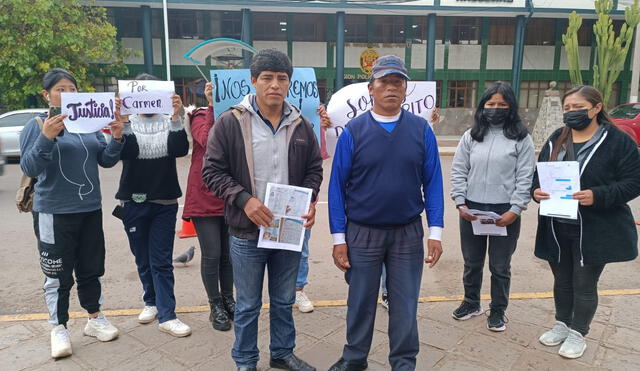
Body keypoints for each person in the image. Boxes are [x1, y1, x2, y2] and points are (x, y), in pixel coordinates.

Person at [202, 49, 322, 371]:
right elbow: (211, 171)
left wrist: (308, 202)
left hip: (288, 229)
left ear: (289, 83)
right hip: (246, 230)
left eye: (281, 78)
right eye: (267, 78)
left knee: (284, 300)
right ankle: (245, 360)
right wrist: (244, 199)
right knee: (248, 304)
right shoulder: (231, 122)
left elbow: (314, 169)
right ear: (253, 80)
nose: (274, 85)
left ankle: (282, 353)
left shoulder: (300, 124)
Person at [328, 55, 444, 371]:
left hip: (408, 232)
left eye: (398, 82)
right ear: (372, 88)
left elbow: (433, 182)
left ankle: (404, 362)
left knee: (405, 303)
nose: (391, 88)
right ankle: (354, 360)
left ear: (406, 90)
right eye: (384, 82)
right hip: (362, 232)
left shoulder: (421, 131)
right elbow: (336, 186)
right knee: (360, 302)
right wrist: (339, 237)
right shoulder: (353, 131)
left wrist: (436, 231)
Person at [20, 68, 124, 358]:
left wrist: (116, 137)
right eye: (60, 90)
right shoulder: (37, 124)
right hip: (53, 211)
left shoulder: (88, 124)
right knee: (57, 274)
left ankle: (94, 318)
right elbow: (30, 167)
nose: (68, 94)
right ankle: (58, 326)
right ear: (47, 94)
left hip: (89, 208)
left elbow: (105, 160)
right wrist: (47, 138)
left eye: (72, 89)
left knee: (91, 268)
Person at [532, 85, 640, 359]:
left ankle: (579, 332)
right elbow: (540, 174)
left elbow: (633, 182)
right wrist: (536, 191)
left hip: (594, 229)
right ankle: (562, 323)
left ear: (596, 108)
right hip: (557, 225)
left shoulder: (618, 141)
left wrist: (598, 195)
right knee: (562, 281)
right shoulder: (558, 138)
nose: (571, 113)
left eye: (578, 107)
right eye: (567, 108)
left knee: (584, 283)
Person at [449, 81, 535, 331]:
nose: (495, 108)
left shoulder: (521, 138)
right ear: (482, 106)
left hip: (505, 211)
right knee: (472, 262)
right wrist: (460, 202)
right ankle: (471, 302)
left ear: (511, 107)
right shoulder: (471, 136)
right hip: (472, 210)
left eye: (501, 104)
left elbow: (525, 176)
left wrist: (515, 209)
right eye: (490, 104)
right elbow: (459, 170)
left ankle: (497, 310)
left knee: (499, 265)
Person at [115, 73, 192, 337]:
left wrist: (175, 117)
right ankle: (150, 301)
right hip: (133, 202)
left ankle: (168, 314)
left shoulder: (170, 120)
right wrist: (124, 124)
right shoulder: (126, 122)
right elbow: (125, 153)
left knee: (161, 260)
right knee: (142, 258)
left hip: (164, 202)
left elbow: (180, 149)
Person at [182, 82, 235, 331]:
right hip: (204, 195)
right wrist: (213, 105)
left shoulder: (239, 116)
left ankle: (228, 299)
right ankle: (215, 305)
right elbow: (206, 138)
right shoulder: (199, 115)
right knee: (212, 253)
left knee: (228, 255)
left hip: (230, 194)